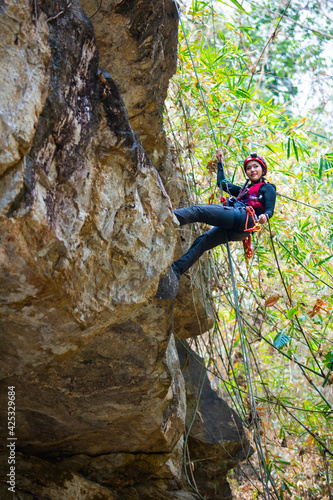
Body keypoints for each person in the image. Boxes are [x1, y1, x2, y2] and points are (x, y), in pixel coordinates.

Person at [155, 150, 276, 299]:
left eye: (255, 167)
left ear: (262, 169)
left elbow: (270, 208)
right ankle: (176, 270)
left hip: (244, 218)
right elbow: (222, 184)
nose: (252, 170)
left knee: (198, 211)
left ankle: (164, 219)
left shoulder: (267, 188)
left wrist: (265, 216)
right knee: (203, 241)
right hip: (239, 228)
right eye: (249, 168)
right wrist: (220, 163)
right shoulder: (244, 191)